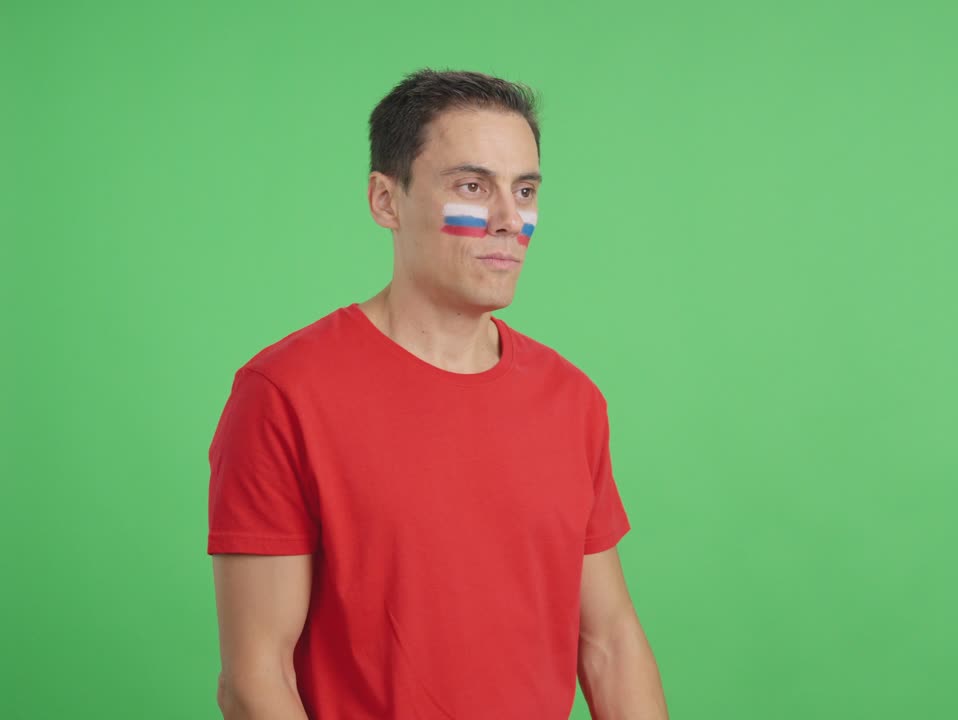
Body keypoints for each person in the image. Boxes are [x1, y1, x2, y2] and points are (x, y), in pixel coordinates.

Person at [206, 68, 669, 720]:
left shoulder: (573, 401)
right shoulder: (284, 394)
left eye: (526, 190)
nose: (510, 220)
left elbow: (610, 644)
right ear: (386, 201)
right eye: (473, 187)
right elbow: (255, 680)